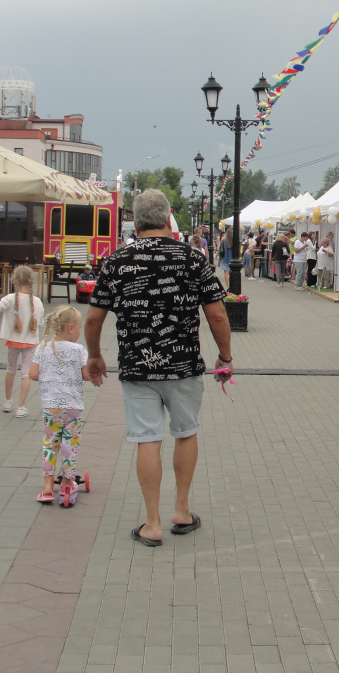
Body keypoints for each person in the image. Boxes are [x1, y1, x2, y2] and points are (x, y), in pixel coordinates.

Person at [85, 189, 231, 547]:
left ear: (136, 221)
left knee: (146, 438)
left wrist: (94, 355)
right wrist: (225, 356)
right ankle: (181, 511)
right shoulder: (193, 259)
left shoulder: (117, 260)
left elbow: (92, 318)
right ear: (168, 219)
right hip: (183, 365)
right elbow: (216, 313)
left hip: (137, 366)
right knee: (185, 431)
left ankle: (151, 523)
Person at [31, 306, 91, 505]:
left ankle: (48, 488)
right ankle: (67, 482)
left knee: (50, 444)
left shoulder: (43, 348)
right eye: (80, 328)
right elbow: (86, 375)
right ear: (71, 328)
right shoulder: (79, 350)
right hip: (72, 408)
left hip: (51, 407)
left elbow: (32, 374)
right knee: (70, 445)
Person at [0, 264, 45, 417]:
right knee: (26, 373)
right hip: (31, 342)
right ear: (32, 280)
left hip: (13, 341)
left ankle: (7, 401)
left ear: (14, 280)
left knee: (11, 369)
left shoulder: (10, 299)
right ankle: (21, 407)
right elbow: (41, 322)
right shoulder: (37, 301)